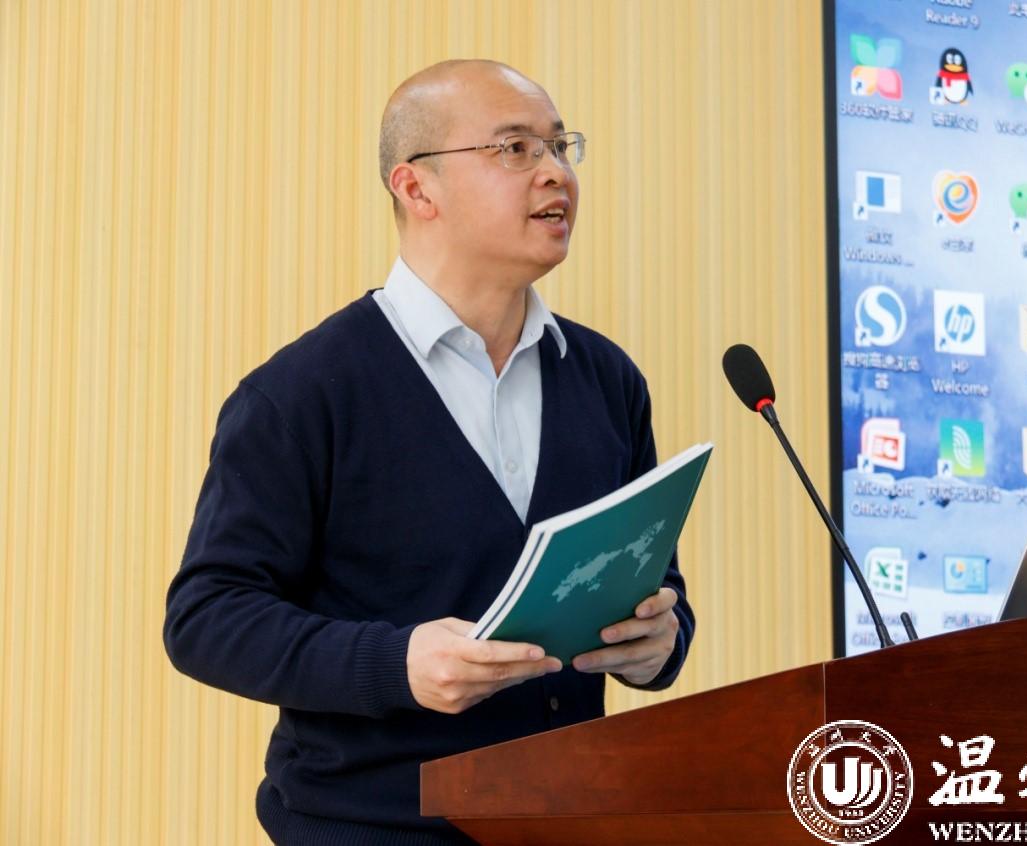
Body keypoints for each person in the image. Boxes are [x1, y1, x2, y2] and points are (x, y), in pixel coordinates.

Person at [163, 59, 695, 845]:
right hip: (365, 827)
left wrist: (658, 643)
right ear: (416, 188)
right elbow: (207, 619)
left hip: (571, 819)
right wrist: (396, 663)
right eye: (515, 148)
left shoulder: (606, 378)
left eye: (560, 146)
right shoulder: (302, 391)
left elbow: (652, 580)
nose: (555, 172)